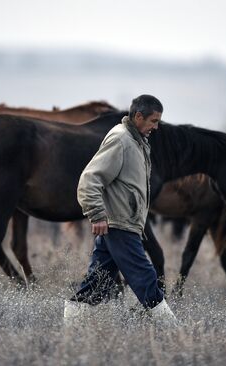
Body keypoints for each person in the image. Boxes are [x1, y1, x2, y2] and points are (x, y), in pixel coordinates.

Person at [64, 94, 177, 325]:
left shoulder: (137, 141)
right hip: (119, 223)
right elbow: (90, 179)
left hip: (124, 222)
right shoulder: (121, 140)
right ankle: (174, 331)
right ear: (138, 116)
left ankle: (71, 328)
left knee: (99, 282)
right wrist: (96, 214)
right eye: (153, 121)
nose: (156, 127)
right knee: (145, 276)